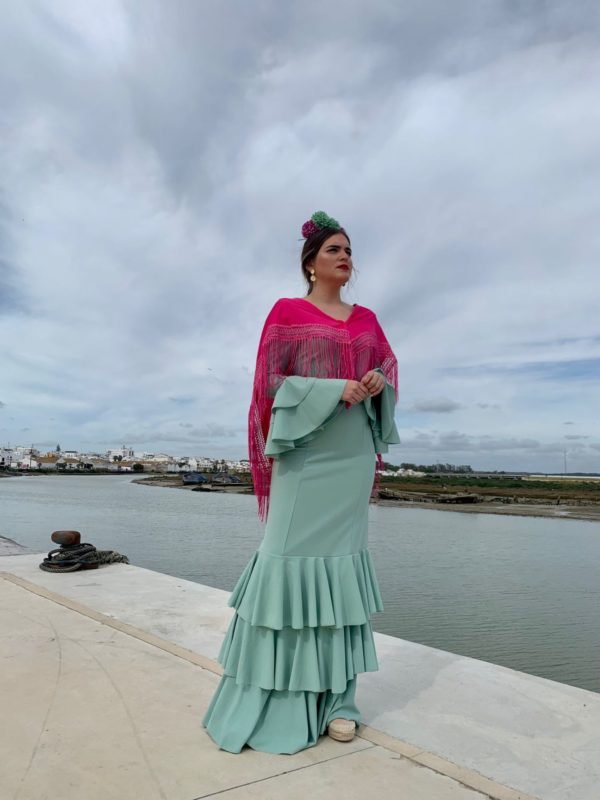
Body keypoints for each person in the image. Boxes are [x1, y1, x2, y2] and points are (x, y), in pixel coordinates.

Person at [202, 210, 400, 754]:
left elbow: (388, 367)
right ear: (311, 263)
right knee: (283, 558)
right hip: (306, 453)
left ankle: (339, 700)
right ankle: (274, 696)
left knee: (340, 575)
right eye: (335, 249)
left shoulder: (368, 320)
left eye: (349, 250)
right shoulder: (286, 312)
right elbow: (268, 379)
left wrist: (378, 380)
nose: (345, 257)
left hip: (352, 453)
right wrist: (332, 390)